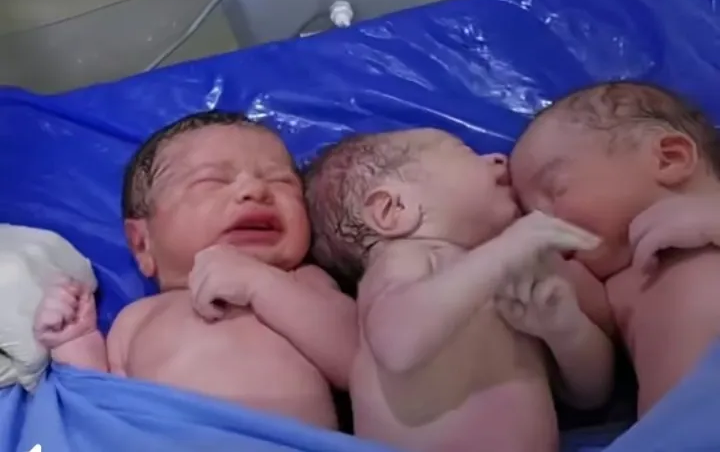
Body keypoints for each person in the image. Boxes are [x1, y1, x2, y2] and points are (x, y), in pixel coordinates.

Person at [33, 110, 357, 430]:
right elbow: (98, 406)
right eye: (211, 181)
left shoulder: (302, 283)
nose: (255, 190)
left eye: (281, 181)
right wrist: (75, 342)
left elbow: (359, 363)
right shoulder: (138, 317)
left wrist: (261, 284)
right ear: (143, 243)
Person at [304, 128, 614, 452]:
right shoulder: (404, 261)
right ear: (392, 210)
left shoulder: (501, 273)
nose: (499, 159)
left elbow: (590, 396)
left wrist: (566, 330)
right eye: (465, 152)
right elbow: (399, 347)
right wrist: (506, 250)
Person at [510, 80, 720, 415]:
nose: (541, 223)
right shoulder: (611, 288)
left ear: (669, 159)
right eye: (529, 215)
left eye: (555, 190)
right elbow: (588, 388)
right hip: (686, 430)